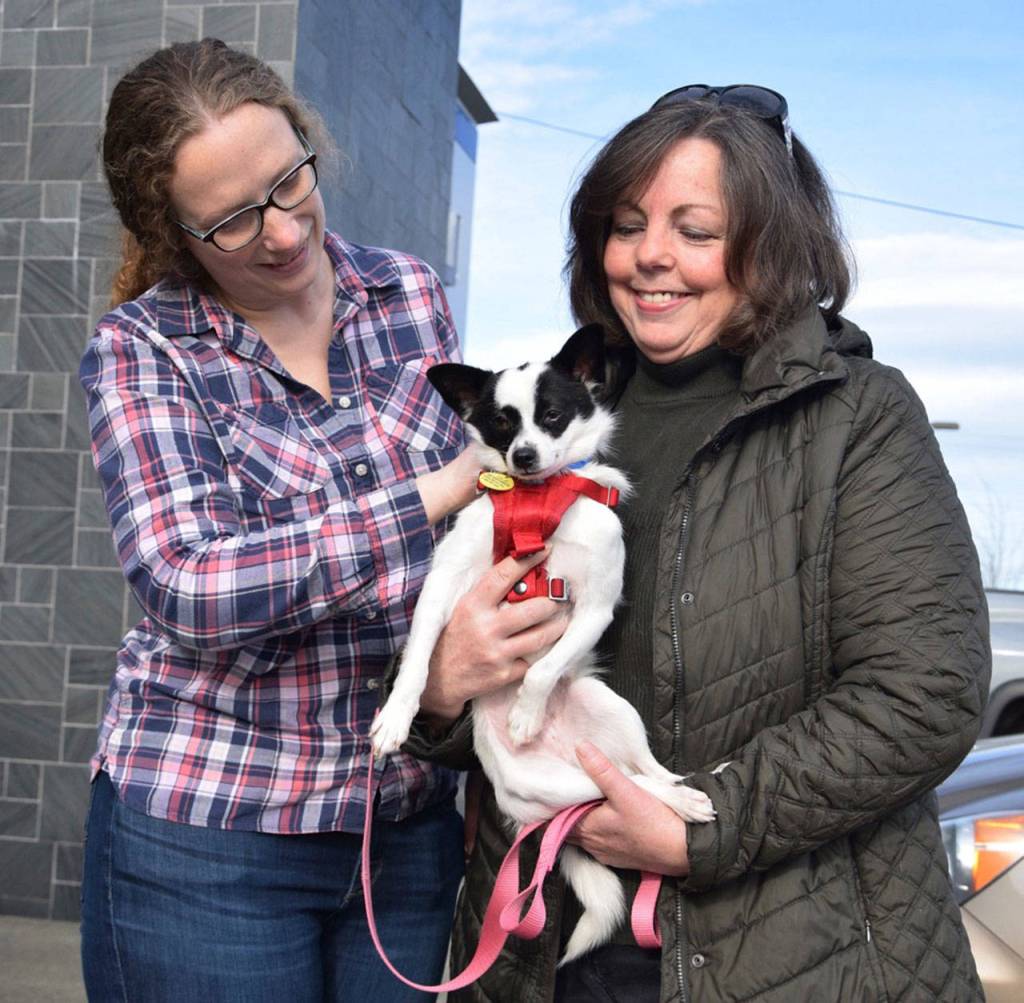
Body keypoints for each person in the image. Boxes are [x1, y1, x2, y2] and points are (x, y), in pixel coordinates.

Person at [397, 85, 991, 1001]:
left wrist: (698, 828)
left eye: (695, 230)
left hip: (792, 952)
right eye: (626, 224)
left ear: (770, 243)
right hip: (546, 945)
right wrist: (441, 690)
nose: (651, 257)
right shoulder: (563, 418)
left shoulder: (857, 416)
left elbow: (926, 690)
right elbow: (495, 671)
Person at [77, 39, 566, 1002]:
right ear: (173, 233)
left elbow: (463, 539)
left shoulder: (409, 295)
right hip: (212, 829)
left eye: (290, 181)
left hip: (403, 826)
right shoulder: (142, 350)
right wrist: (436, 492)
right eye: (231, 220)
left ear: (310, 144)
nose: (284, 233)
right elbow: (191, 584)